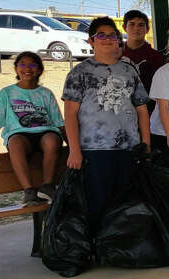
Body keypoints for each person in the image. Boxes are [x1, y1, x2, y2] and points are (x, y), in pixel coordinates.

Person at [61, 17, 150, 228]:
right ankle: (98, 247)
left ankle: (120, 246)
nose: (107, 39)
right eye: (101, 35)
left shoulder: (129, 71)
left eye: (112, 35)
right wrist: (74, 150)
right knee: (98, 204)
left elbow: (142, 110)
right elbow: (70, 115)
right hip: (95, 150)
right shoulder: (79, 73)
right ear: (91, 41)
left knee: (126, 204)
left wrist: (145, 144)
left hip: (129, 148)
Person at [0, 51, 64, 205]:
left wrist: (74, 147)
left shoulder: (45, 94)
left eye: (32, 65)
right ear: (16, 68)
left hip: (45, 131)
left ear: (39, 69)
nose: (27, 68)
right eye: (22, 64)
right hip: (20, 134)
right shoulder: (7, 93)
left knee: (52, 140)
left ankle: (47, 185)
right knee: (14, 142)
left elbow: (59, 123)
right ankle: (29, 190)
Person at [121, 10, 166, 98]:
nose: (136, 28)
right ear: (124, 27)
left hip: (149, 107)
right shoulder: (115, 55)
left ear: (147, 29)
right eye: (132, 24)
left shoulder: (157, 58)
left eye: (141, 25)